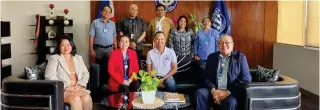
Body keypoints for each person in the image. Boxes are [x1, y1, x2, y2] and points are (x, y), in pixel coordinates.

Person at [195, 35, 252, 110]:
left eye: (227, 42)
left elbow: (246, 78)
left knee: (231, 102)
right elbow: (206, 77)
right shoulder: (212, 57)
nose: (224, 45)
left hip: (230, 92)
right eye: (221, 43)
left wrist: (227, 92)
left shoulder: (240, 58)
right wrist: (213, 90)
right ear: (218, 45)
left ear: (232, 44)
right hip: (214, 90)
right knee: (200, 93)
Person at [45, 35, 92, 110]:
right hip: (63, 90)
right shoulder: (54, 59)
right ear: (59, 47)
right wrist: (66, 88)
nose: (66, 47)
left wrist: (80, 85)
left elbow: (85, 73)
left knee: (87, 98)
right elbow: (49, 77)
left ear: (72, 45)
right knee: (76, 99)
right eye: (63, 45)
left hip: (77, 88)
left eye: (68, 45)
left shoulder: (78, 58)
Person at [89, 5, 117, 86]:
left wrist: (116, 48)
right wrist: (91, 49)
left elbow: (114, 36)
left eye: (109, 12)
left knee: (110, 68)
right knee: (99, 69)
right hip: (98, 49)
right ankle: (99, 87)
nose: (107, 13)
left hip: (110, 49)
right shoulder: (95, 22)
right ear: (101, 12)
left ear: (111, 14)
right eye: (105, 11)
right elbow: (91, 36)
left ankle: (108, 86)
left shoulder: (112, 24)